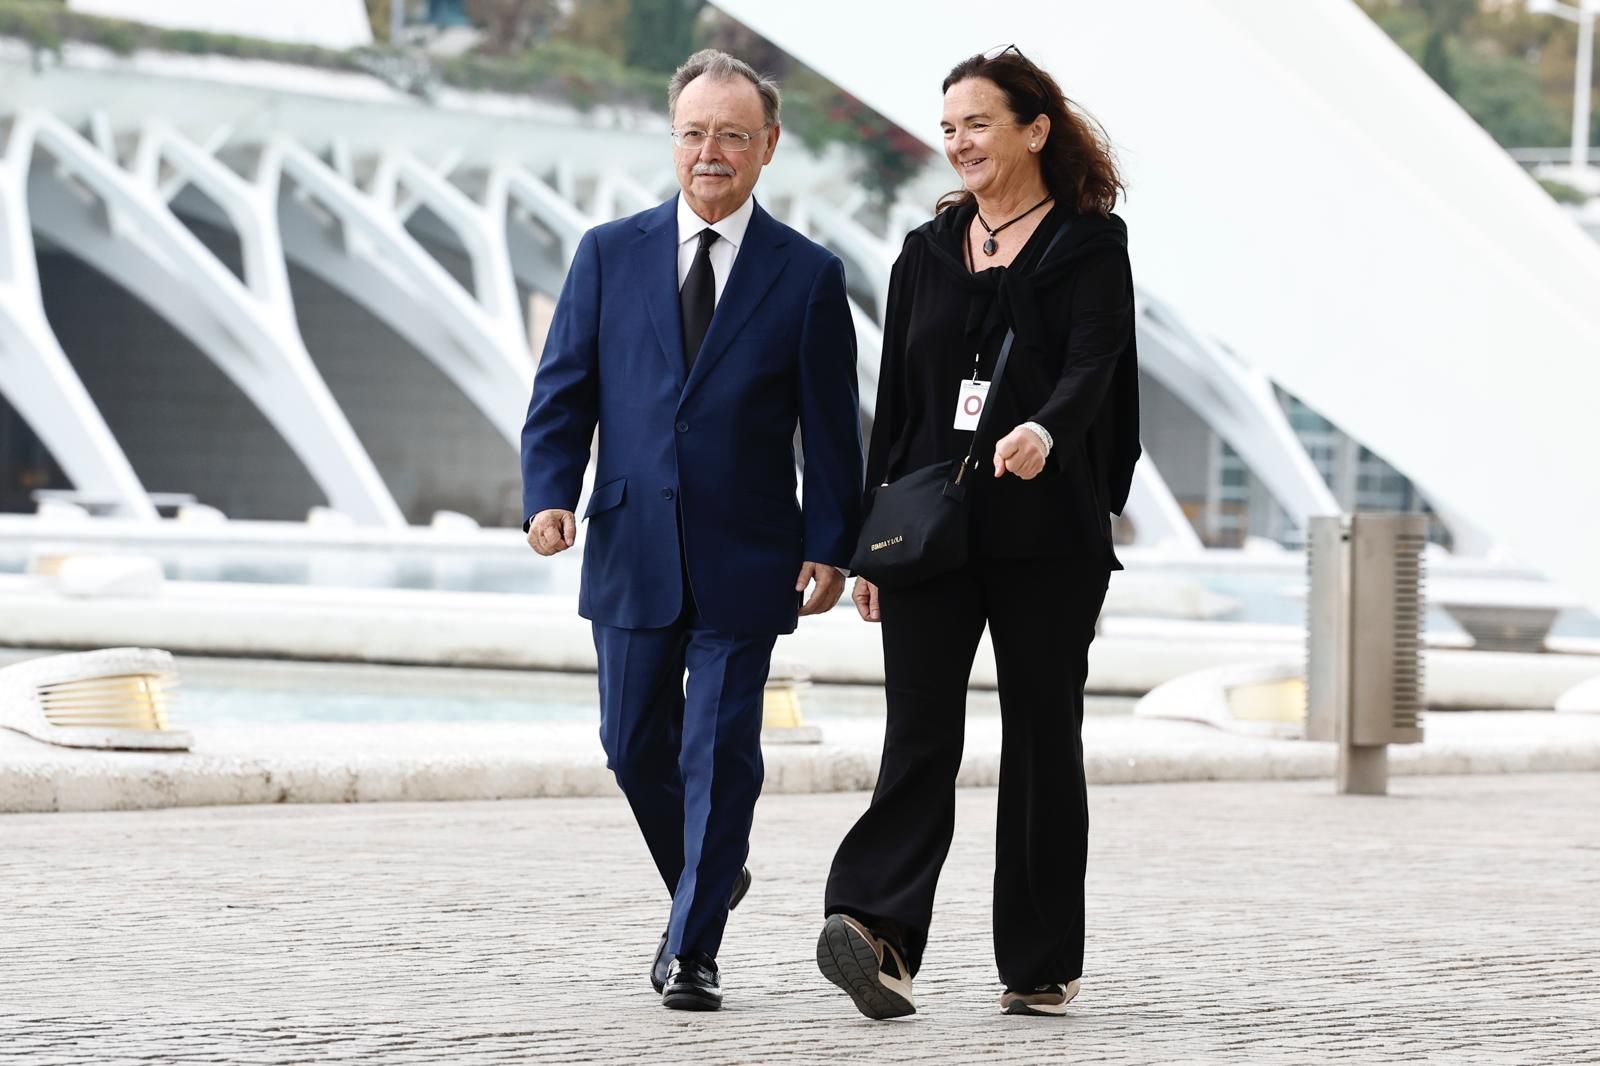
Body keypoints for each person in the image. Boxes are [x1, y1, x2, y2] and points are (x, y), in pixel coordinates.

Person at [521, 49, 863, 1012]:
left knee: (720, 753)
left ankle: (693, 947)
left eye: (732, 135)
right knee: (631, 746)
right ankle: (708, 878)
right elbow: (563, 394)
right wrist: (549, 492)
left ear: (768, 147)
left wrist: (832, 542)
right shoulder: (608, 252)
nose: (711, 152)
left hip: (748, 555)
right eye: (695, 132)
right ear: (673, 139)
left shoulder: (807, 275)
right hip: (629, 545)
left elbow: (831, 428)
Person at [817, 45, 1139, 1020]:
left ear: (1034, 130)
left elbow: (1093, 366)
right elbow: (898, 408)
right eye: (949, 125)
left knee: (1042, 736)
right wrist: (870, 539)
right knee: (917, 733)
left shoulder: (1090, 244)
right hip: (932, 531)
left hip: (1048, 533)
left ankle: (1039, 961)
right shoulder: (924, 251)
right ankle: (875, 932)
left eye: (978, 123)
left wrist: (1046, 428)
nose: (958, 141)